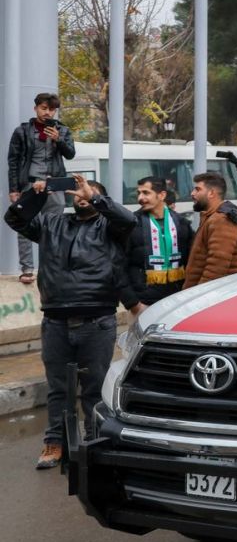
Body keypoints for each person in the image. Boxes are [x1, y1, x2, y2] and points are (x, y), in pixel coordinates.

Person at [4, 175, 136, 469]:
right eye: (76, 192)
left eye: (87, 192)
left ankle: (93, 442)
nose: (81, 196)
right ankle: (55, 442)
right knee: (58, 388)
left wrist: (97, 198)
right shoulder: (52, 224)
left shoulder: (111, 227)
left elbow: (129, 221)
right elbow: (15, 218)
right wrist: (34, 195)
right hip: (55, 321)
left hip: (97, 320)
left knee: (94, 387)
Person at [7, 93, 76, 285]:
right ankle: (27, 268)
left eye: (51, 109)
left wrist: (59, 140)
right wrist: (14, 188)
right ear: (35, 108)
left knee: (54, 226)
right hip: (29, 183)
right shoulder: (22, 131)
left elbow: (70, 154)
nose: (47, 112)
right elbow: (13, 161)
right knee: (25, 225)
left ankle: (51, 267)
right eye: (44, 108)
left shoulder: (62, 130)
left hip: (54, 183)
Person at [125, 176, 195, 317]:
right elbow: (118, 265)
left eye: (146, 193)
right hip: (143, 305)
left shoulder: (182, 223)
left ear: (162, 195)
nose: (140, 198)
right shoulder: (131, 224)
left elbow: (192, 261)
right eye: (138, 193)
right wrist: (133, 304)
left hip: (178, 302)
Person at [184, 173, 237, 288]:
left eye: (198, 189)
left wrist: (198, 297)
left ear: (211, 193)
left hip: (213, 297)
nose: (192, 193)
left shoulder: (221, 220)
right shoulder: (212, 217)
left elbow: (216, 269)